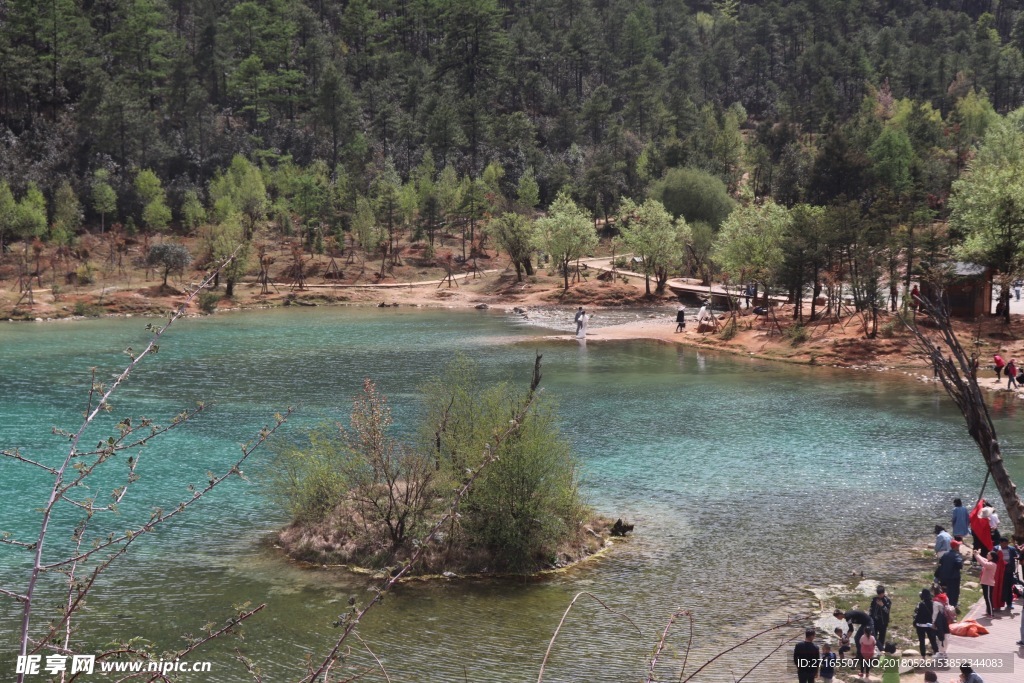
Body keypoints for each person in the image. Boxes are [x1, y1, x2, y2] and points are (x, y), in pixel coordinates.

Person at [913, 588, 938, 656]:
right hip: (930, 625)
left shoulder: (920, 604)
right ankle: (937, 654)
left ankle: (923, 657)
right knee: (933, 641)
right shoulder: (933, 604)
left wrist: (914, 623)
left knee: (922, 642)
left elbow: (917, 615)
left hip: (920, 626)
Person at [974, 548, 998, 616]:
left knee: (988, 598)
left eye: (988, 554)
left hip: (988, 584)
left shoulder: (992, 564)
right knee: (986, 598)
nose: (987, 555)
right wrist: (978, 554)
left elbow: (983, 562)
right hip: (985, 583)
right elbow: (983, 559)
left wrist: (976, 555)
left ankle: (991, 613)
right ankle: (988, 611)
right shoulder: (989, 562)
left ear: (992, 557)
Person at [869, 585, 891, 654]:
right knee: (873, 635)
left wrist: (882, 605)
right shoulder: (874, 599)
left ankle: (880, 651)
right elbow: (871, 609)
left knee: (882, 636)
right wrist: (870, 617)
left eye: (881, 594)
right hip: (874, 621)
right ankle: (872, 650)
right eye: (879, 594)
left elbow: (887, 611)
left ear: (883, 593)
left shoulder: (887, 600)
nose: (880, 596)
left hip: (883, 622)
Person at [999, 536, 1019, 608]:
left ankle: (1009, 603)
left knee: (1008, 588)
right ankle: (998, 603)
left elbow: (1017, 556)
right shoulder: (996, 549)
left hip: (1009, 571)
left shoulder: (1012, 549)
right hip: (999, 572)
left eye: (1007, 543)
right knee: (999, 587)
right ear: (1000, 543)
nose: (1006, 545)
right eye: (1004, 543)